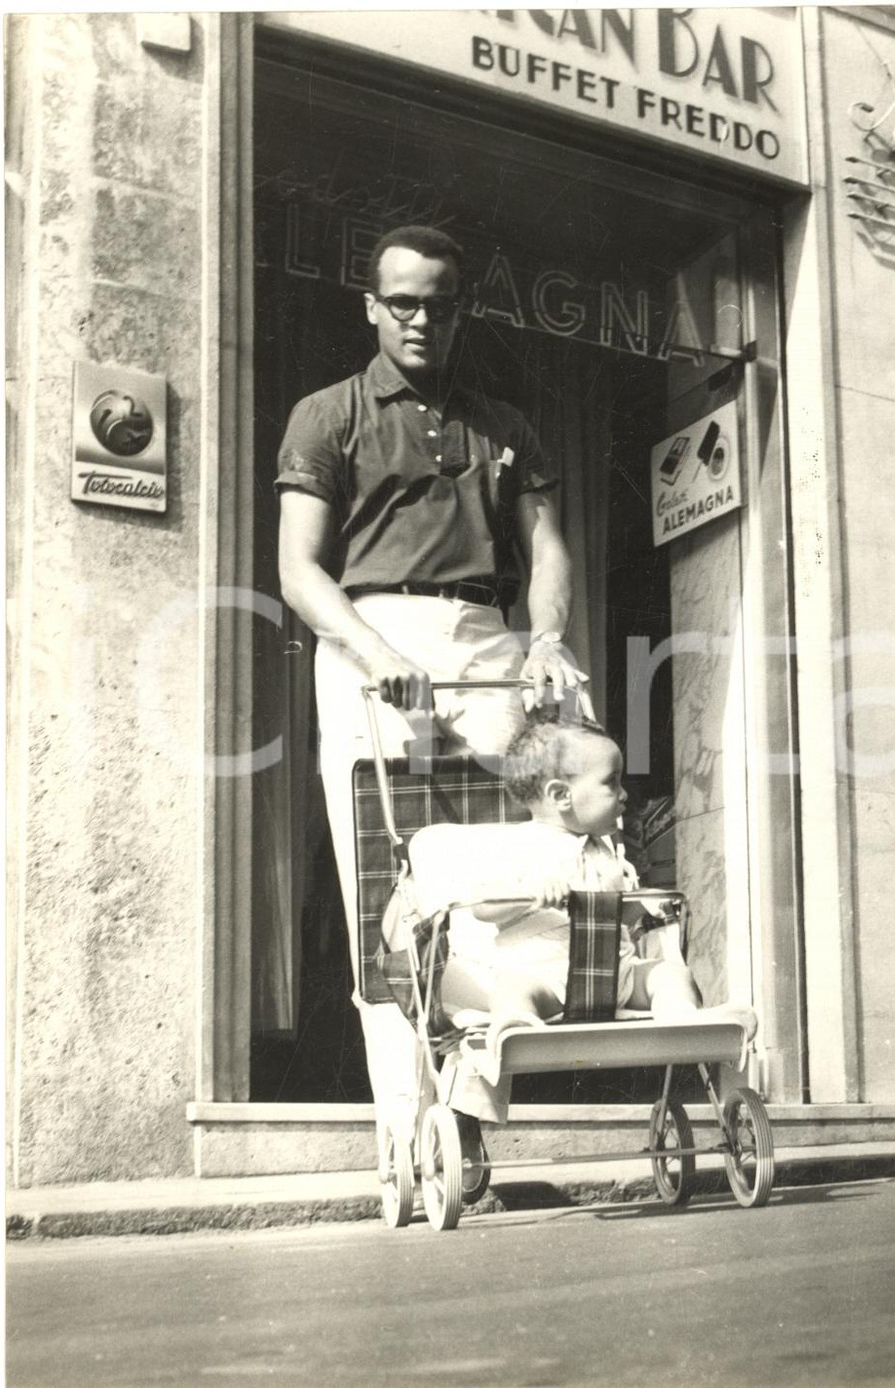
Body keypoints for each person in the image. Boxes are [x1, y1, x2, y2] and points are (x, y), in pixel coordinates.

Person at [275, 224, 584, 1189]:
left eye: (440, 304)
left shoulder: (504, 423)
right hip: (374, 645)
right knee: (392, 888)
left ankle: (472, 1112)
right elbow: (296, 570)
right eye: (402, 301)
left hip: (485, 643)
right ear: (372, 306)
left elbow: (548, 552)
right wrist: (374, 655)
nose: (420, 319)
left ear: (462, 312)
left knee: (520, 869)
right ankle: (406, 1136)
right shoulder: (329, 415)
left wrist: (544, 643)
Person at [396, 709, 756, 1094]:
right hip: (545, 979)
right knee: (513, 988)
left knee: (670, 974)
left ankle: (682, 1017)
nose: (624, 794)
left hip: (615, 976)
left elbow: (624, 913)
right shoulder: (519, 847)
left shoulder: (609, 853)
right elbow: (483, 905)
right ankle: (515, 1023)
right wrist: (529, 894)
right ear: (561, 795)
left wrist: (642, 905)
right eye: (611, 782)